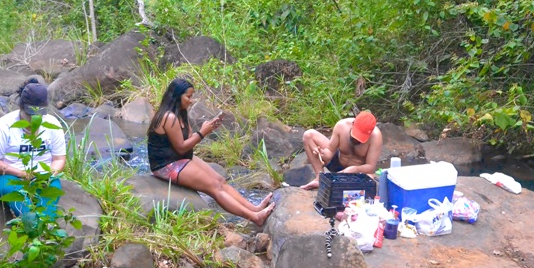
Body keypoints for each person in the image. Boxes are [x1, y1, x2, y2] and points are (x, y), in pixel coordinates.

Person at [147, 78, 275, 226]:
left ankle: (254, 208)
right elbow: (181, 147)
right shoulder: (168, 117)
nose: (191, 100)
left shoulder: (181, 114)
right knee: (213, 187)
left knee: (220, 180)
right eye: (188, 97)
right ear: (176, 96)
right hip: (166, 164)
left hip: (181, 157)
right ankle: (255, 218)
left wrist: (207, 128)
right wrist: (202, 133)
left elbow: (187, 141)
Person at [0, 78, 67, 218]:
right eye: (30, 114)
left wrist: (50, 175)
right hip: (8, 177)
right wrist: (21, 174)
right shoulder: (4, 126)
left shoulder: (52, 125)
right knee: (17, 194)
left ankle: (45, 225)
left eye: (38, 114)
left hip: (42, 177)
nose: (33, 118)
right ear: (21, 107)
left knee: (53, 191)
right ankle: (31, 224)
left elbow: (59, 158)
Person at [300, 111, 383, 190]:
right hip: (337, 163)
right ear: (353, 124)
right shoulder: (341, 126)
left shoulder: (376, 137)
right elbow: (330, 151)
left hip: (356, 174)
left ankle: (344, 187)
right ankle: (319, 178)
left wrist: (354, 169)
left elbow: (370, 167)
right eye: (355, 135)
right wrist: (321, 153)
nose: (357, 140)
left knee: (371, 178)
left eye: (361, 138)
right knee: (308, 135)